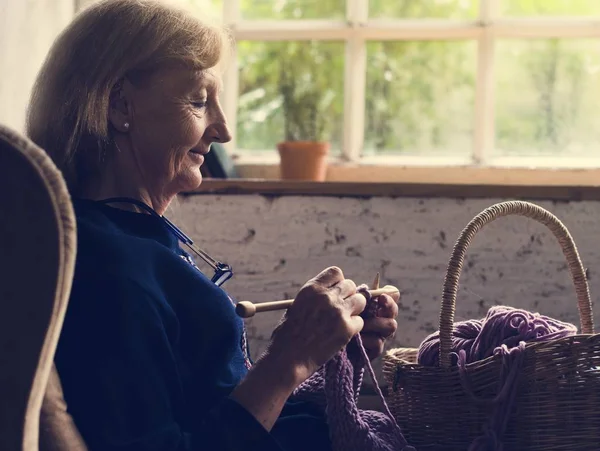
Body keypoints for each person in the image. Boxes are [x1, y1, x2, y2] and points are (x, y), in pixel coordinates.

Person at [26, 1, 400, 450]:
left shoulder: (135, 238)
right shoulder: (105, 268)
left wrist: (320, 343)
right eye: (199, 101)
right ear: (119, 105)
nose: (223, 129)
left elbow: (209, 402)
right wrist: (288, 360)